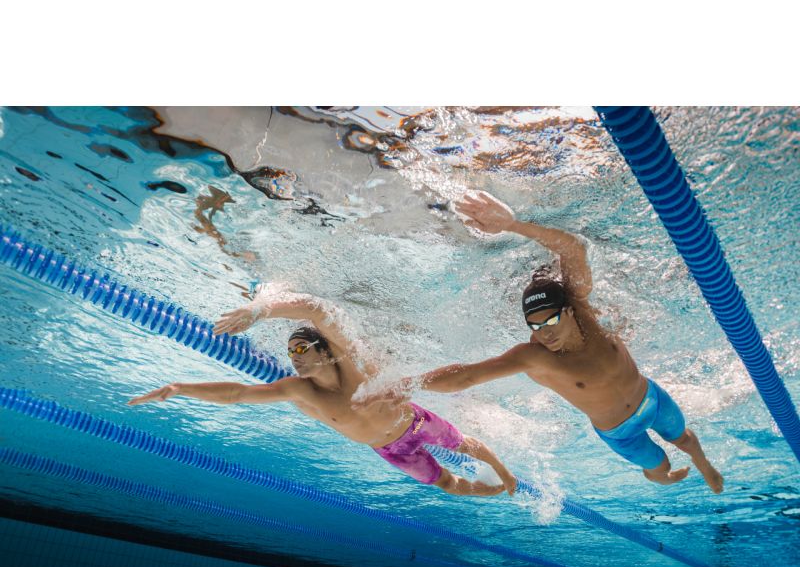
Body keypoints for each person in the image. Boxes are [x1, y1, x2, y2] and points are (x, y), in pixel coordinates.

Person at [357, 191, 724, 493]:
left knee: (686, 440)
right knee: (659, 467)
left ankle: (705, 465)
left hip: (652, 399)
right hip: (619, 431)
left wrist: (511, 225)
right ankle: (662, 477)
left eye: (550, 320)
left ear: (570, 311)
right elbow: (468, 376)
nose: (544, 333)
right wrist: (410, 384)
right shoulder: (536, 357)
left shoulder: (584, 311)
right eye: (534, 326)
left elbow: (573, 249)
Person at [127, 286, 517, 499]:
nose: (294, 357)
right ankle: (489, 492)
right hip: (389, 450)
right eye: (290, 352)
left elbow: (317, 311)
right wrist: (180, 388)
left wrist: (260, 310)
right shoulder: (300, 390)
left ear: (325, 351)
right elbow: (237, 394)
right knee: (446, 484)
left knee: (465, 446)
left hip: (415, 424)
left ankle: (503, 473)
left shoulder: (354, 364)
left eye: (301, 348)